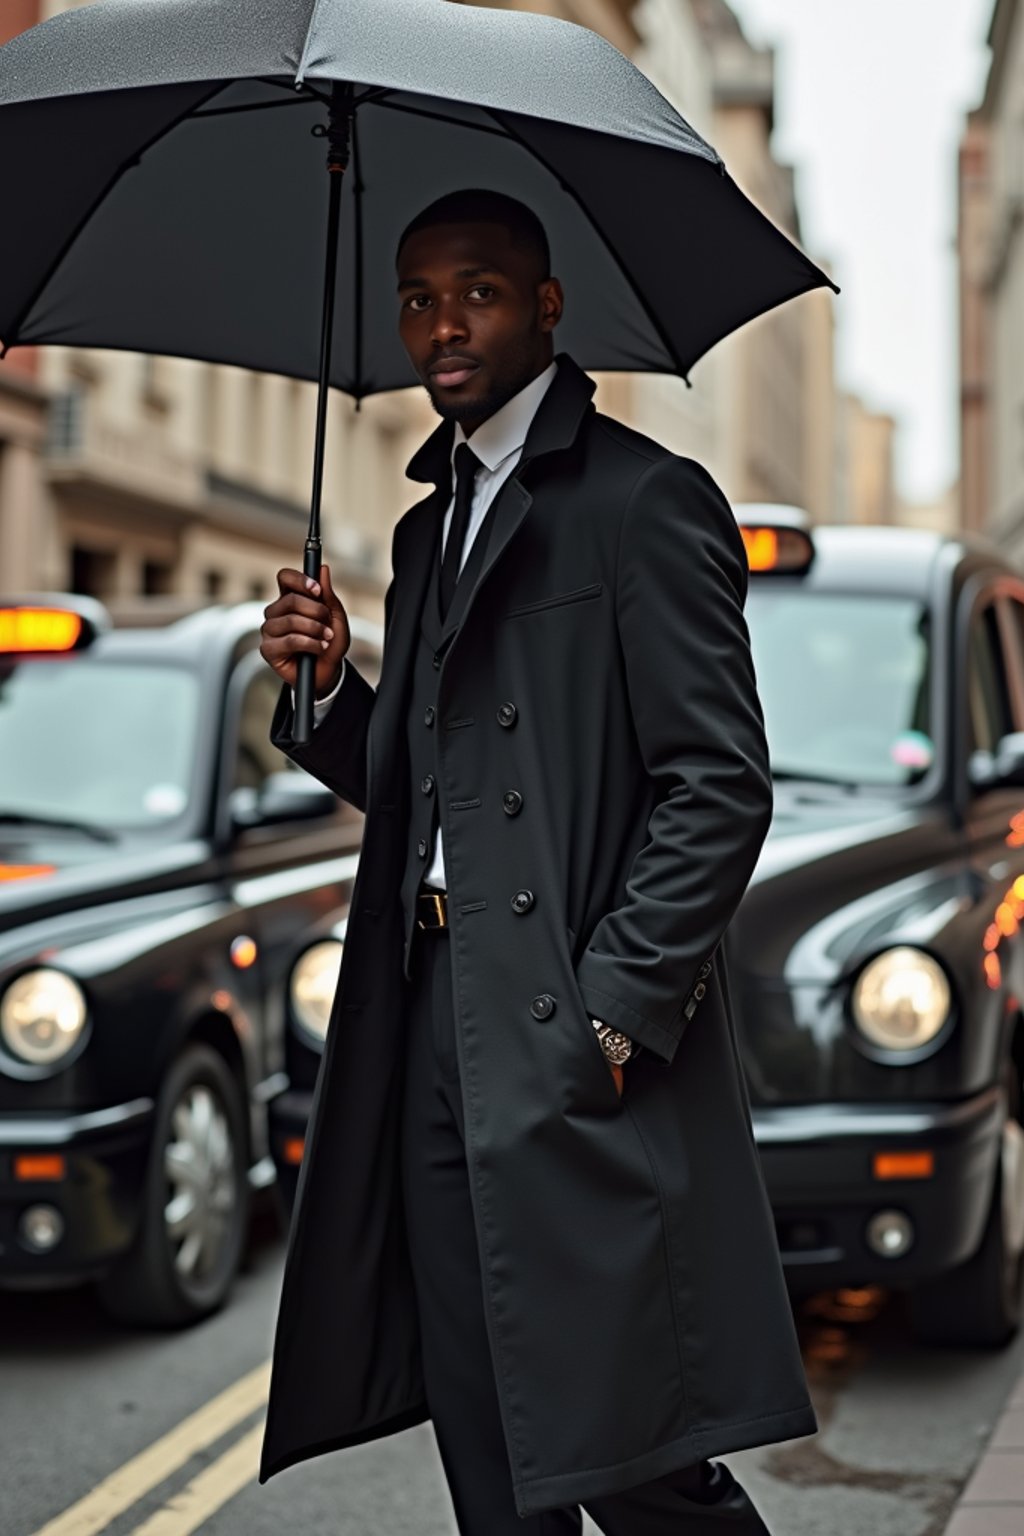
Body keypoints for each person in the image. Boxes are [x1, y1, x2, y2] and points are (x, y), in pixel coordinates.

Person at [257, 188, 817, 1533]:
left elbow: (718, 783)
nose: (439, 326)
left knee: (638, 1462)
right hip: (438, 1021)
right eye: (415, 299)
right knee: (491, 1440)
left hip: (569, 1031)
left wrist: (612, 1015)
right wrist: (334, 692)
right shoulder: (419, 529)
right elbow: (433, 782)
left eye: (476, 292)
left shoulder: (645, 502)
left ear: (546, 307)